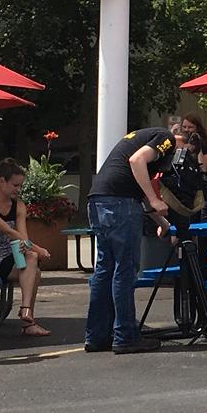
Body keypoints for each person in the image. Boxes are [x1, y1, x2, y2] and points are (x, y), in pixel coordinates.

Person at [84, 123, 175, 353]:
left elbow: (134, 182)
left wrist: (162, 222)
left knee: (104, 269)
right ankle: (125, 335)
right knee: (125, 269)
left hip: (99, 200)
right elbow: (137, 161)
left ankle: (96, 336)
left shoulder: (141, 136)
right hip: (119, 203)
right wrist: (155, 200)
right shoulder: (166, 138)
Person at [0, 159, 53, 337]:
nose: (18, 189)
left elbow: (22, 236)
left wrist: (30, 248)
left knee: (31, 259)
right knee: (35, 271)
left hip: (8, 255)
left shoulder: (19, 205)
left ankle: (26, 313)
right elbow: (7, 230)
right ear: (2, 182)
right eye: (15, 185)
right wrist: (38, 248)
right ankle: (27, 320)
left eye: (20, 186)